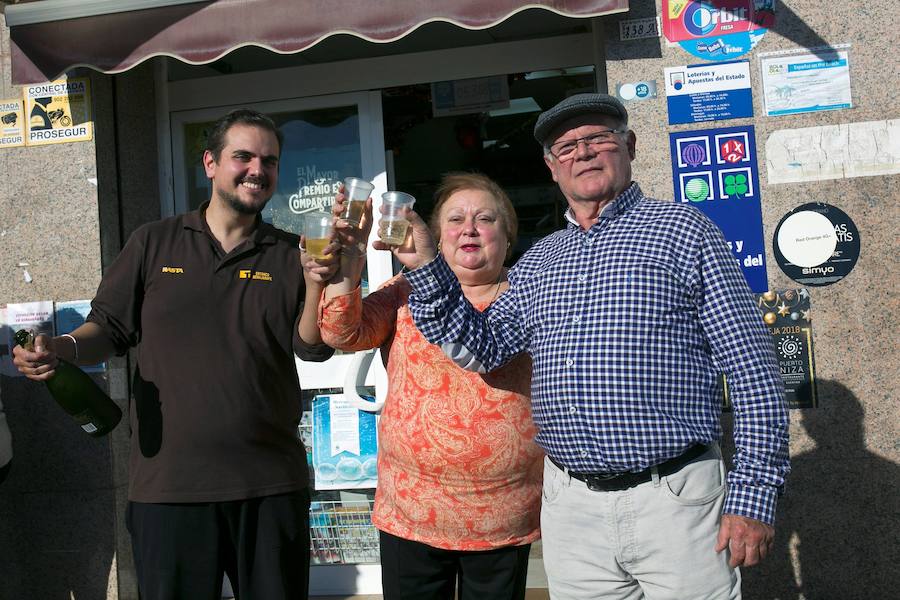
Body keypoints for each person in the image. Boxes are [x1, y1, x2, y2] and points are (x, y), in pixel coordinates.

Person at [389, 94, 790, 599]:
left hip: (673, 498)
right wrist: (426, 266)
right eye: (566, 146)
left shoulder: (686, 233)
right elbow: (483, 351)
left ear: (629, 145)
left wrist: (752, 497)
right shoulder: (541, 259)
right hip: (572, 507)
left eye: (597, 138)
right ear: (551, 167)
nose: (582, 152)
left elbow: (754, 372)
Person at [12, 109, 337, 600]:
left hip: (270, 485)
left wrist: (317, 283)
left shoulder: (291, 253)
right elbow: (109, 328)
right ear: (209, 163)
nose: (257, 169)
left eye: (269, 161)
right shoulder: (153, 242)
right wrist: (61, 348)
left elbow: (312, 347)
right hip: (170, 489)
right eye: (243, 156)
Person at [319, 172, 543, 599]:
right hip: (412, 513)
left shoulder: (529, 294)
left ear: (507, 237)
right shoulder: (403, 292)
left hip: (502, 516)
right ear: (437, 239)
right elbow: (339, 333)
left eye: (485, 218)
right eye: (455, 219)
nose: (470, 228)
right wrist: (350, 259)